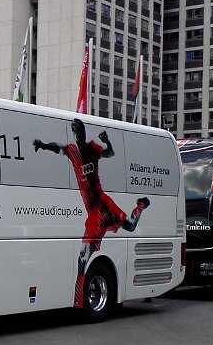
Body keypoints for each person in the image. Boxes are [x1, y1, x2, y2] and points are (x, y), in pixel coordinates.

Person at [34, 118, 150, 308]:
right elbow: (58, 147)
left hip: (102, 204)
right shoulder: (72, 151)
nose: (79, 134)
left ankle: (140, 207)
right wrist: (42, 145)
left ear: (84, 132)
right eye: (75, 131)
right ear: (73, 133)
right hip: (93, 212)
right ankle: (78, 300)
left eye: (80, 131)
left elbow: (110, 153)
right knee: (85, 256)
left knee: (129, 226)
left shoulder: (93, 148)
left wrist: (108, 142)